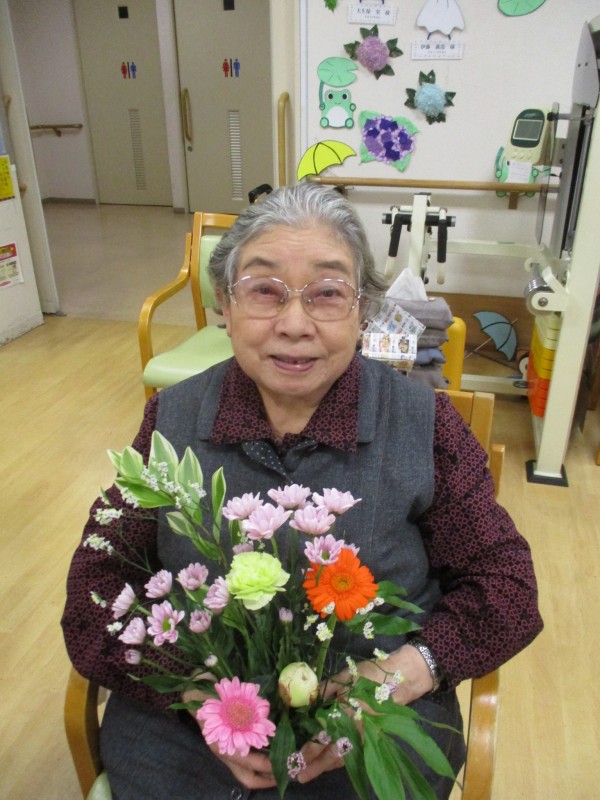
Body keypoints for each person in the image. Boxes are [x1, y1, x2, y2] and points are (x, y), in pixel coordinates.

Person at [62, 183, 543, 800]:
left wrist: (404, 672)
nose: (294, 325)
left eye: (327, 293)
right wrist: (194, 695)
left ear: (363, 311)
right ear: (224, 305)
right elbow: (97, 585)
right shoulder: (172, 418)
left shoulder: (423, 425)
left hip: (377, 719)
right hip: (191, 730)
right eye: (264, 290)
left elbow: (506, 586)